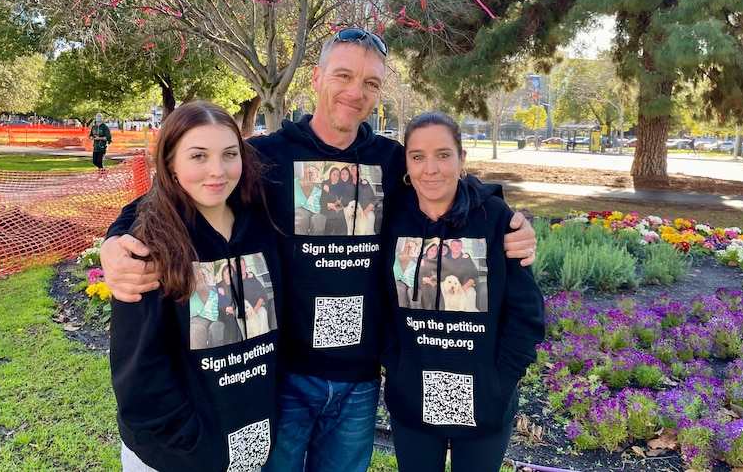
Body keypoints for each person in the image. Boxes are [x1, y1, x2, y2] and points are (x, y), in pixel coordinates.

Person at [100, 28, 537, 472]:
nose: (355, 92)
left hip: (359, 383)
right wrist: (115, 240)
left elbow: (447, 181)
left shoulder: (389, 160)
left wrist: (506, 217)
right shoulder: (267, 157)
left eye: (370, 83)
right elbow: (174, 194)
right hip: (285, 380)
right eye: (343, 75)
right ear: (316, 77)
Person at [109, 101, 283, 472]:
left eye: (229, 154)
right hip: (177, 453)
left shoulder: (262, 224)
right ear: (170, 163)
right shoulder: (147, 243)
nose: (217, 171)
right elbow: (139, 370)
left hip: (253, 440)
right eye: (198, 156)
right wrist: (187, 443)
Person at [381, 112, 545, 472]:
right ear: (406, 164)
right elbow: (380, 301)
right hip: (413, 395)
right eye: (418, 156)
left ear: (462, 160)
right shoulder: (391, 220)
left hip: (485, 397)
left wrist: (501, 379)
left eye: (443, 154)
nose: (431, 169)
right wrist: (396, 362)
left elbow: (526, 312)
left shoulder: (496, 218)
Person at [89, 113, 112, 177]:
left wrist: (99, 138)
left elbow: (108, 137)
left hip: (102, 147)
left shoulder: (105, 127)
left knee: (100, 161)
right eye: (97, 117)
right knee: (95, 161)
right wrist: (91, 137)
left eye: (99, 117)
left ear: (102, 118)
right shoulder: (94, 127)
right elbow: (90, 135)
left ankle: (101, 174)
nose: (98, 118)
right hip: (95, 147)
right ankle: (104, 170)